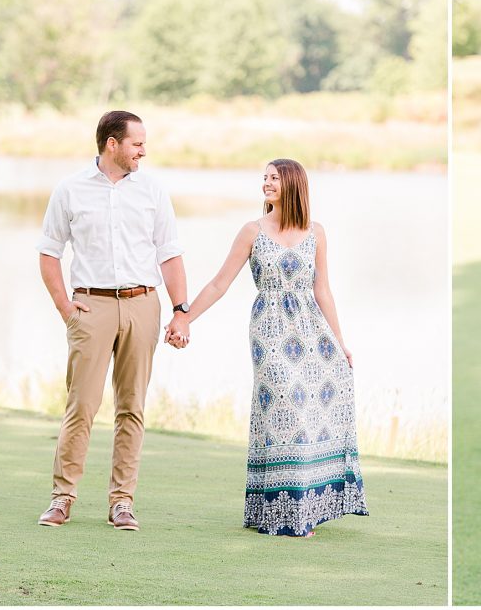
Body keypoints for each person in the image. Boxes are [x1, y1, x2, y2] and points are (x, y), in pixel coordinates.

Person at [173, 158, 368, 537]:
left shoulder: (317, 232)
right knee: (285, 408)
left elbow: (322, 290)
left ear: (292, 184)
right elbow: (218, 284)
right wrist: (184, 317)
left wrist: (340, 341)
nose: (266, 183)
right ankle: (285, 511)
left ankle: (300, 508)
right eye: (264, 178)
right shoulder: (252, 231)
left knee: (310, 416)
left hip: (313, 329)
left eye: (274, 178)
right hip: (270, 330)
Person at [36, 110, 191, 531]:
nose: (144, 150)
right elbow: (49, 253)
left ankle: (122, 502)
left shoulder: (153, 190)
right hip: (91, 307)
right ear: (112, 144)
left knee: (132, 409)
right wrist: (65, 308)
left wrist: (181, 311)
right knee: (81, 406)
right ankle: (62, 498)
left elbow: (169, 253)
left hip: (143, 304)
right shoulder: (69, 190)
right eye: (137, 143)